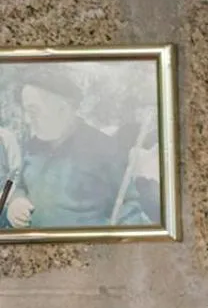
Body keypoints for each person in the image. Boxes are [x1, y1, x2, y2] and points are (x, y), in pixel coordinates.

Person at [0, 67, 158, 230]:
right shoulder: (33, 145)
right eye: (26, 111)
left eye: (33, 111)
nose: (27, 120)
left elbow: (128, 209)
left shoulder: (105, 149)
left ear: (63, 108)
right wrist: (16, 202)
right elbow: (18, 184)